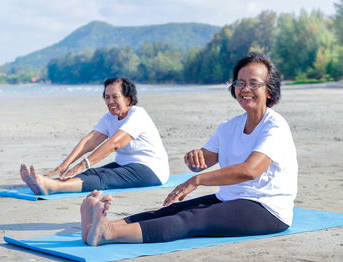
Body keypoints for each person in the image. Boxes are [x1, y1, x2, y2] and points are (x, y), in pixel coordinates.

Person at [81, 52, 298, 246]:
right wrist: (194, 158)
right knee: (170, 211)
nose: (245, 89)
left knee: (191, 219)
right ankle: (101, 226)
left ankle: (108, 233)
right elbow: (205, 159)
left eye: (254, 83)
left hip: (267, 208)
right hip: (231, 199)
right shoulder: (229, 127)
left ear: (270, 91)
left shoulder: (275, 126)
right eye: (240, 83)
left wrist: (197, 180)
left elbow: (250, 170)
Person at [20, 77, 169, 195]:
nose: (110, 101)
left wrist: (82, 164)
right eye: (107, 97)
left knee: (103, 178)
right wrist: (66, 164)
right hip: (125, 165)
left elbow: (114, 144)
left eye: (115, 97)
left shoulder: (138, 115)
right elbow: (89, 141)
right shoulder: (108, 118)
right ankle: (46, 183)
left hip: (151, 170)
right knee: (92, 172)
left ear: (128, 99)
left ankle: (53, 186)